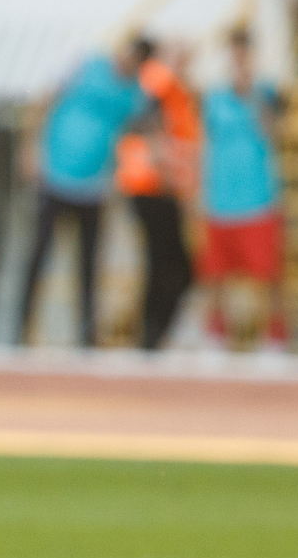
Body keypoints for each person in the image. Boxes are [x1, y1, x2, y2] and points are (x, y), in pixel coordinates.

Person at [18, 38, 153, 347]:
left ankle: (86, 337)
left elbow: (145, 129)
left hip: (94, 189)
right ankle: (22, 328)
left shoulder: (134, 95)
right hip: (55, 179)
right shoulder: (86, 65)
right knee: (39, 255)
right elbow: (45, 99)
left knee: (89, 265)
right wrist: (30, 146)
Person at [198, 26, 287, 350]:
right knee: (215, 275)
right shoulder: (213, 96)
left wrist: (252, 94)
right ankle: (215, 333)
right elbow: (206, 142)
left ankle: (275, 336)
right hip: (220, 200)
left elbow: (274, 133)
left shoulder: (267, 93)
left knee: (268, 276)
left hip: (258, 199)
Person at [115, 46, 198, 350]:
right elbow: (143, 118)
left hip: (162, 187)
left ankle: (154, 333)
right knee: (169, 264)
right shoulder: (159, 79)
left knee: (170, 265)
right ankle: (151, 333)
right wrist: (161, 163)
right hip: (152, 186)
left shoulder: (177, 89)